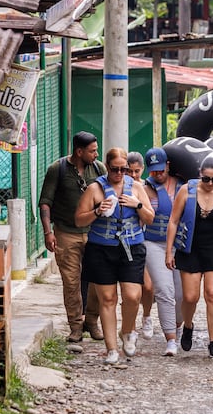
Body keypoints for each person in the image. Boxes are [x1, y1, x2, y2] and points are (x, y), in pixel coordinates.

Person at [74, 148, 154, 364]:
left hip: (131, 247)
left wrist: (136, 205)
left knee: (132, 296)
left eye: (123, 169)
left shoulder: (136, 187)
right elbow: (79, 220)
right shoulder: (94, 189)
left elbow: (150, 218)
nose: (120, 173)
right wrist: (98, 211)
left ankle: (127, 331)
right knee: (108, 298)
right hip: (101, 248)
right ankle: (111, 349)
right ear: (106, 167)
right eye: (115, 169)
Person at [166, 156, 213, 358]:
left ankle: (212, 342)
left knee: (212, 294)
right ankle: (189, 326)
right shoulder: (187, 191)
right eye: (206, 179)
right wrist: (169, 251)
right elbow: (173, 221)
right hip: (190, 248)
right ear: (200, 176)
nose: (210, 184)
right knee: (190, 297)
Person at [39, 131, 106, 344]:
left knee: (97, 281)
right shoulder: (57, 170)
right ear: (79, 151)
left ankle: (92, 322)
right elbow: (45, 203)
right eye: (92, 151)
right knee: (71, 282)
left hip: (95, 234)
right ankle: (75, 326)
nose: (96, 154)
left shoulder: (99, 169)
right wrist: (48, 232)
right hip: (66, 234)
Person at [141, 147, 183, 356]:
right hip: (154, 242)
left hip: (180, 244)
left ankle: (177, 326)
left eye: (161, 170)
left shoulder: (182, 185)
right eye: (154, 171)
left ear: (168, 165)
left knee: (182, 293)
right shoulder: (144, 188)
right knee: (165, 290)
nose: (158, 174)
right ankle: (171, 339)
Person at [126, 151, 156, 339]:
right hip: (128, 240)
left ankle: (146, 316)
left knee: (148, 286)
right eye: (130, 171)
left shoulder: (146, 187)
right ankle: (131, 324)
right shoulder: (122, 187)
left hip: (147, 239)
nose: (134, 175)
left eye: (137, 171)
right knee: (131, 287)